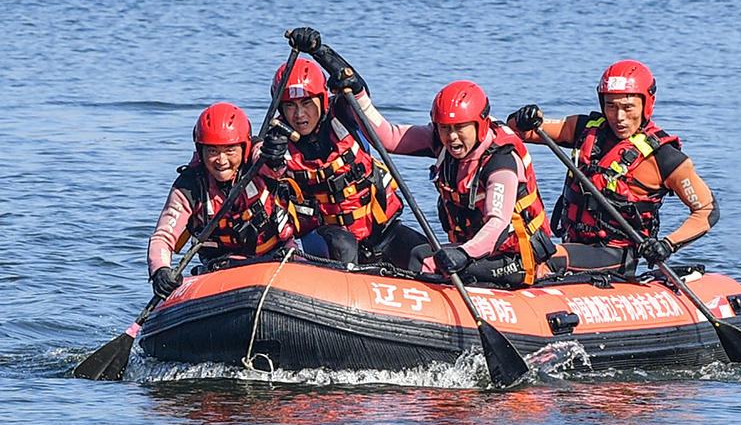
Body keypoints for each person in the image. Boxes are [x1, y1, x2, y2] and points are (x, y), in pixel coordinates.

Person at [288, 29, 555, 287]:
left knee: (431, 264)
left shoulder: (501, 163)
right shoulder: (441, 141)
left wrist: (462, 254)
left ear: (480, 124)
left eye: (460, 128)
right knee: (420, 256)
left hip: (514, 256)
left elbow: (497, 224)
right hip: (474, 249)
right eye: (445, 128)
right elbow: (388, 137)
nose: (452, 138)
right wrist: (354, 90)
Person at [509, 60, 719, 276]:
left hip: (616, 254)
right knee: (514, 251)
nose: (619, 117)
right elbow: (519, 131)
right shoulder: (584, 129)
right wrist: (524, 117)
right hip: (573, 244)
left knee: (541, 259)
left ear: (647, 103)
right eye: (611, 106)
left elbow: (706, 210)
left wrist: (668, 244)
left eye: (628, 107)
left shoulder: (665, 158)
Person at [270, 33, 427, 268]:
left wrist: (319, 50)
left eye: (306, 103)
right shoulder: (276, 142)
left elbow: (355, 85)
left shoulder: (345, 115)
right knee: (345, 245)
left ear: (322, 100)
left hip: (380, 230)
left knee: (425, 256)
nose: (299, 115)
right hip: (325, 239)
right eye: (290, 105)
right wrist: (266, 159)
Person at [147, 102, 303, 298]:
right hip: (223, 268)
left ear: (243, 149)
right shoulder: (190, 186)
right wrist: (161, 270)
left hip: (277, 257)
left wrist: (274, 155)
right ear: (200, 150)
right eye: (212, 151)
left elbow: (273, 165)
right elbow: (163, 237)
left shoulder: (258, 160)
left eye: (230, 150)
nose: (221, 160)